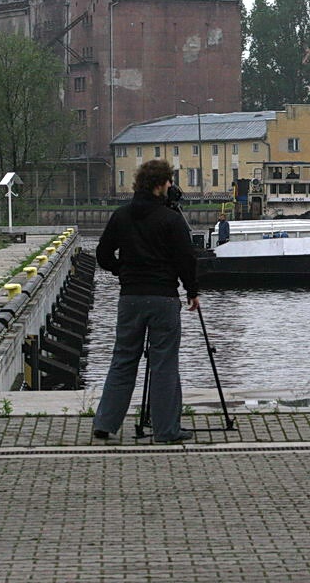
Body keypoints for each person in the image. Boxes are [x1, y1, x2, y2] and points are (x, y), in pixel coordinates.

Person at [92, 159, 199, 444]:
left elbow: (102, 254)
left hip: (130, 298)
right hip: (163, 298)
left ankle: (105, 424)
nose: (171, 187)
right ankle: (166, 430)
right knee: (164, 364)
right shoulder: (171, 219)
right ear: (160, 185)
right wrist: (192, 291)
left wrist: (122, 271)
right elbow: (185, 259)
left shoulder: (121, 215)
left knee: (123, 359)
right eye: (169, 182)